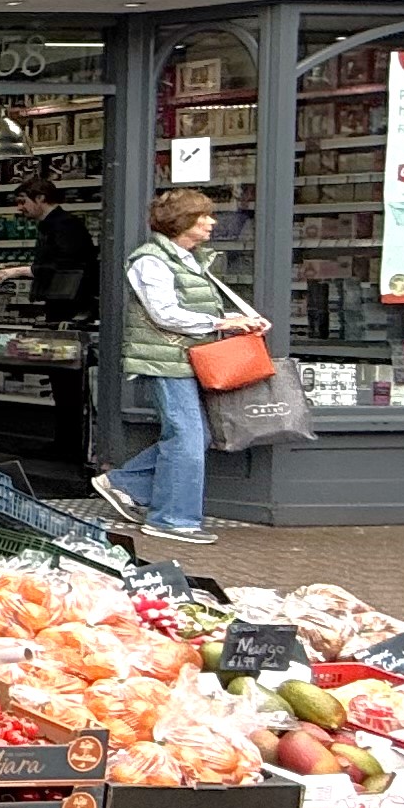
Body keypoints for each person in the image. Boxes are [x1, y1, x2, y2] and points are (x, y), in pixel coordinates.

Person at [97, 185, 262, 547]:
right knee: (187, 437)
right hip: (167, 360)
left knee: (193, 436)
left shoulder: (189, 258)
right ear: (180, 222)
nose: (211, 222)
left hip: (186, 358)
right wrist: (223, 324)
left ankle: (125, 483)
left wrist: (236, 319)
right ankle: (170, 518)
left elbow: (190, 308)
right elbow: (165, 314)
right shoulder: (150, 261)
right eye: (202, 216)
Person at [18, 170, 98, 321]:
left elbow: (64, 267)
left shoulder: (66, 226)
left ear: (40, 198)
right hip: (61, 304)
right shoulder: (52, 225)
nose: (19, 207)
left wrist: (20, 271)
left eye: (23, 201)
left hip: (71, 308)